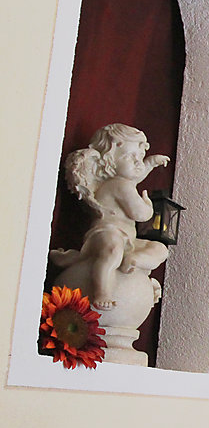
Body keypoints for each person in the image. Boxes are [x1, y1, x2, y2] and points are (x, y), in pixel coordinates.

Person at [51, 124, 170, 309]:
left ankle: (135, 260)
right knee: (112, 253)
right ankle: (102, 292)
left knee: (160, 249)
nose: (138, 162)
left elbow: (135, 175)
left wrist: (150, 163)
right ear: (109, 163)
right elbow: (141, 214)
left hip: (127, 239)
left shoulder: (124, 181)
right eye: (130, 157)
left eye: (139, 157)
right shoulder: (119, 185)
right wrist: (148, 205)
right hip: (107, 233)